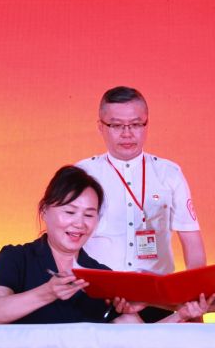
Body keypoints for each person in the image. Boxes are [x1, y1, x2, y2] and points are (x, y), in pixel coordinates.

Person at [0, 165, 213, 324]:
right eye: (70, 212)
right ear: (44, 211)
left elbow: (135, 337)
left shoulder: (101, 276)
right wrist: (48, 292)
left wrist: (181, 315)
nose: (79, 223)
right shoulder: (16, 257)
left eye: (89, 215)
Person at [76, 86, 207, 321]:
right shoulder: (82, 174)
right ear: (100, 127)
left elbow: (192, 243)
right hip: (96, 298)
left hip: (157, 299)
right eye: (116, 125)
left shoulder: (169, 173)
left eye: (136, 124)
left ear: (146, 125)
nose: (127, 134)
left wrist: (195, 301)